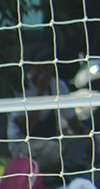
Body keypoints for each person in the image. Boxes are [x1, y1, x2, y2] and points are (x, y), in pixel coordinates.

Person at [8, 44, 91, 177]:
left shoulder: (59, 85)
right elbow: (26, 129)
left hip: (52, 140)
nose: (47, 68)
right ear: (32, 66)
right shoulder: (22, 88)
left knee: (81, 144)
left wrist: (86, 134)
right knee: (54, 151)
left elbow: (73, 122)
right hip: (24, 145)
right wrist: (41, 91)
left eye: (49, 63)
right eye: (42, 64)